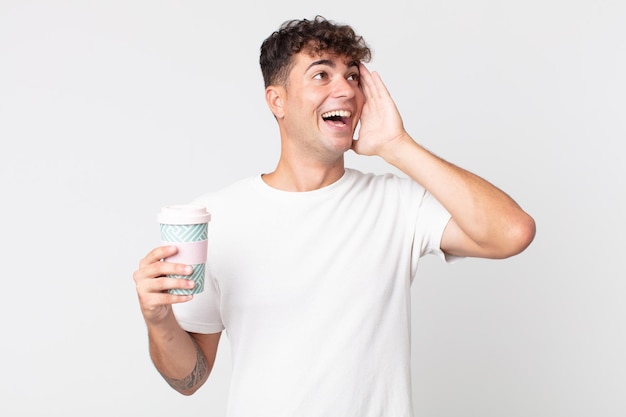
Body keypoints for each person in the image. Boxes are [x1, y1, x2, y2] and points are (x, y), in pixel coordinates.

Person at [133, 16, 536, 417]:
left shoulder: (396, 204)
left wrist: (397, 145)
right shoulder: (217, 217)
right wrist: (159, 320)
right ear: (278, 101)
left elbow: (512, 232)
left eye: (352, 76)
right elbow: (190, 377)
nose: (345, 89)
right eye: (322, 75)